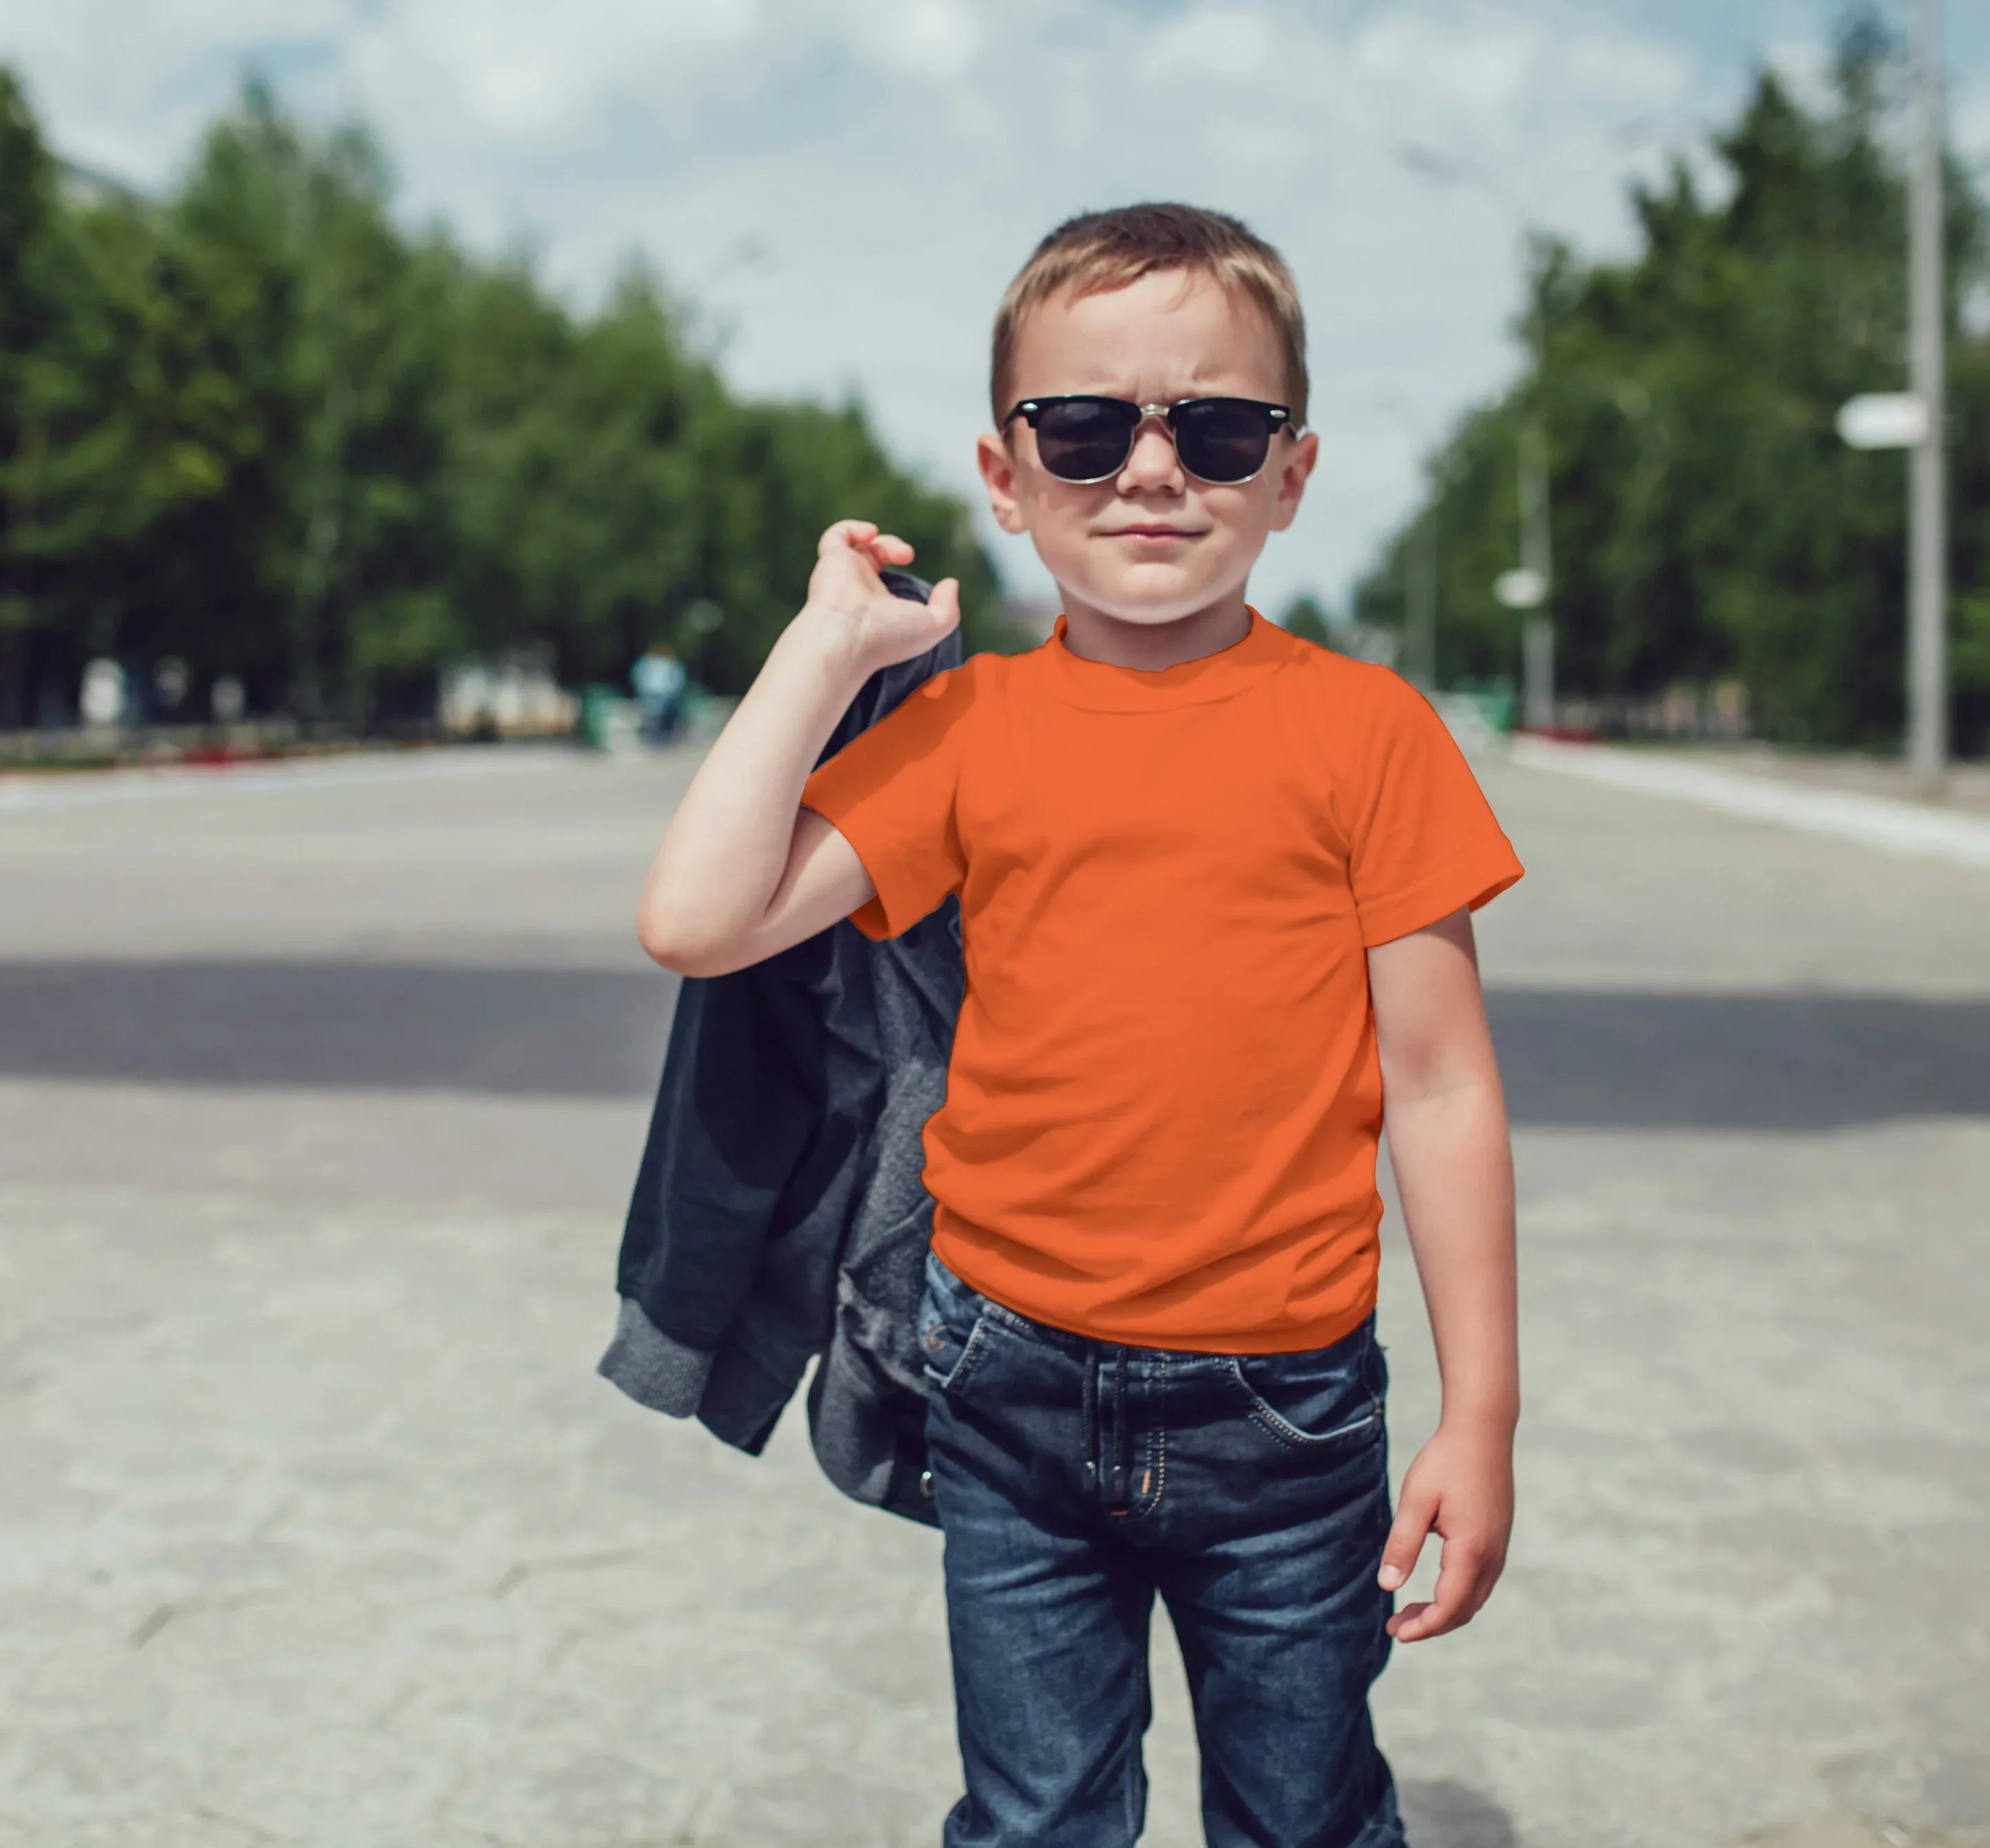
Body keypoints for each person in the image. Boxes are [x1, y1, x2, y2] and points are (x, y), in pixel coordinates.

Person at [636, 202, 1522, 1848]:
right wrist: (822, 651)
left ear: (1291, 472)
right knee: (1036, 1819)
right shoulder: (966, 731)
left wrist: (1482, 1416)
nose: (1151, 468)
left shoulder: (1367, 733)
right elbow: (695, 918)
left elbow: (1443, 1087)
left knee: (1304, 1817)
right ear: (1005, 472)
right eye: (1088, 425)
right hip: (1006, 1383)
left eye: (1219, 425)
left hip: (1287, 1410)